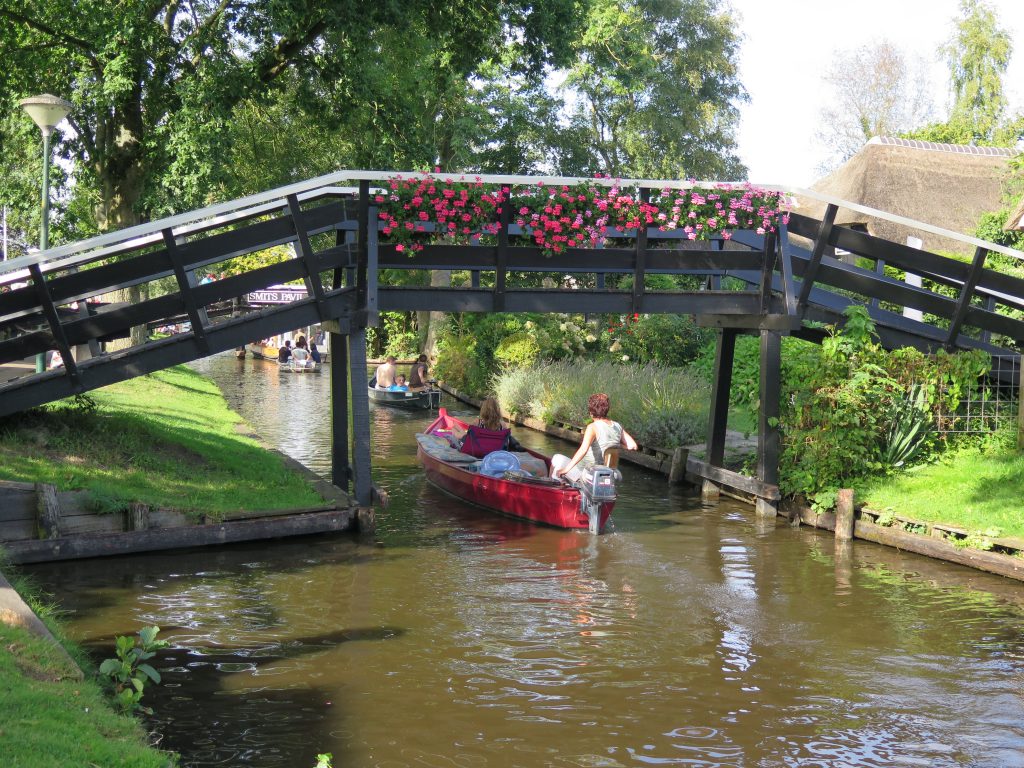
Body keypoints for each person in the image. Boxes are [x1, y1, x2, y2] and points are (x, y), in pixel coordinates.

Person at [551, 393, 638, 482]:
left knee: (556, 458)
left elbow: (583, 450)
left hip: (587, 472)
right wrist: (616, 444)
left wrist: (565, 470)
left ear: (591, 412)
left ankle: (552, 487)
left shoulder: (592, 427)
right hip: (609, 473)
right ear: (607, 410)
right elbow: (633, 446)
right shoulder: (617, 426)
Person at [458, 397, 523, 457]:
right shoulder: (502, 425)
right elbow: (506, 441)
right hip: (496, 452)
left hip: (478, 451)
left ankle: (454, 428)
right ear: (498, 410)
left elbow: (469, 438)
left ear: (483, 409)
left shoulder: (477, 422)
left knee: (460, 435)